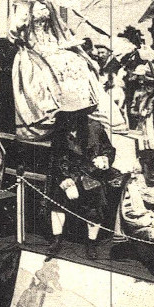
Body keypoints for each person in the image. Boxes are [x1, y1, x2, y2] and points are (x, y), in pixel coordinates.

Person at [8, 0, 104, 140]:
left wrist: (66, 40)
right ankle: (54, 112)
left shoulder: (47, 0)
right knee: (53, 65)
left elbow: (57, 25)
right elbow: (15, 28)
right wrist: (20, 32)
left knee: (75, 60)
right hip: (34, 46)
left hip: (52, 42)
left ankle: (78, 107)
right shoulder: (24, 0)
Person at [46, 105, 117, 259]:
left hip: (90, 173)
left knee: (95, 201)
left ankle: (91, 243)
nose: (70, 118)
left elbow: (108, 149)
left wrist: (104, 159)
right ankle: (56, 239)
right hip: (67, 173)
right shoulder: (59, 132)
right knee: (58, 201)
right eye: (67, 115)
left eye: (74, 114)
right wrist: (65, 179)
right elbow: (57, 157)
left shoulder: (95, 128)